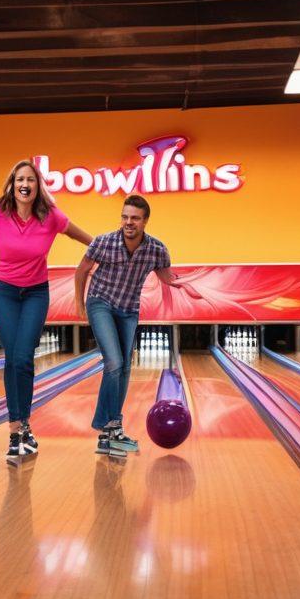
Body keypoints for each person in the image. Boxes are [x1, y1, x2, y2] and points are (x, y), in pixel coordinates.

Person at [0, 160, 92, 462]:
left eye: (31, 180)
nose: (25, 184)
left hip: (35, 293)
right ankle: (16, 429)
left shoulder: (50, 217)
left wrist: (106, 249)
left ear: (37, 186)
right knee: (12, 357)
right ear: (12, 184)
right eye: (20, 179)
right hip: (4, 292)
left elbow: (81, 237)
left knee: (22, 357)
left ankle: (24, 425)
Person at [73, 194, 186, 457]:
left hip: (128, 311)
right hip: (100, 302)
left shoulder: (157, 249)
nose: (128, 222)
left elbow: (165, 276)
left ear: (145, 221)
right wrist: (79, 303)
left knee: (123, 368)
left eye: (134, 218)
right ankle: (109, 427)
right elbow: (81, 271)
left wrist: (183, 284)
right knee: (113, 362)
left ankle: (110, 433)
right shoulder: (103, 242)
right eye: (125, 217)